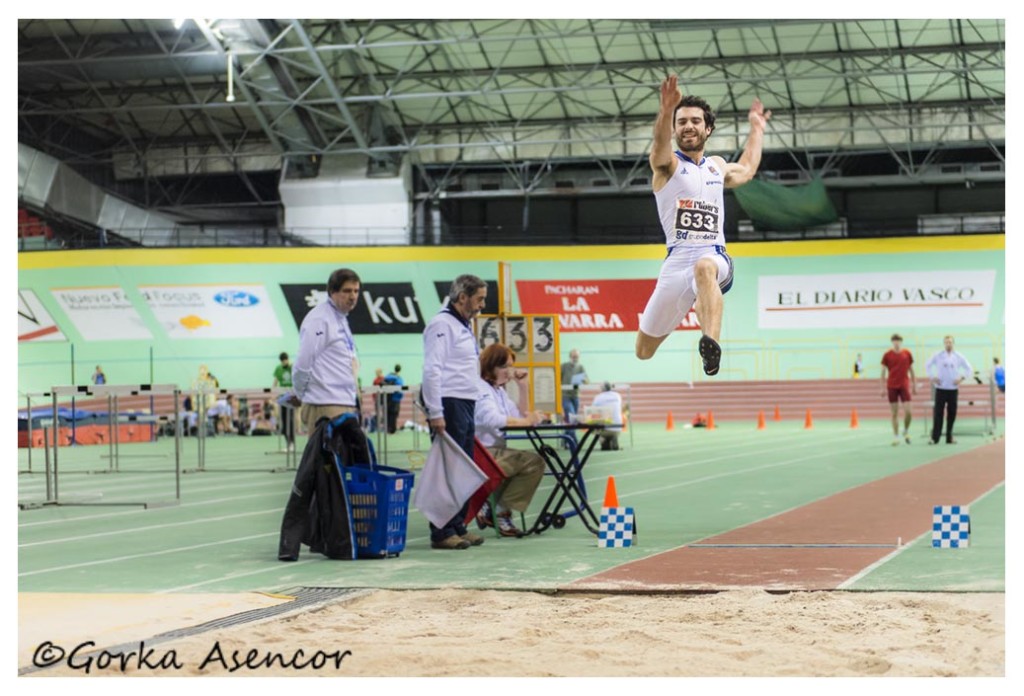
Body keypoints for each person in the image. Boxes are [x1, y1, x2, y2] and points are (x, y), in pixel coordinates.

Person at [636, 75, 770, 377]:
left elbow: (747, 168)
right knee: (643, 351)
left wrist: (757, 128)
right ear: (674, 128)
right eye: (681, 121)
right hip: (675, 264)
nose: (688, 126)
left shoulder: (717, 166)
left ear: (707, 129)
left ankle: (710, 345)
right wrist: (665, 109)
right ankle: (696, 306)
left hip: (713, 256)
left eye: (695, 121)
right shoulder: (667, 166)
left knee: (704, 268)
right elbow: (659, 145)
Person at [421, 274, 489, 550]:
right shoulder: (442, 325)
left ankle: (458, 525)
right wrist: (435, 411)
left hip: (464, 402)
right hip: (448, 403)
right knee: (447, 470)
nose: (482, 305)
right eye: (479, 299)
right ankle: (441, 532)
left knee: (461, 469)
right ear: (463, 297)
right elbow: (432, 370)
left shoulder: (462, 325)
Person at [474, 343, 546, 537]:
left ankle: (491, 506)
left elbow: (520, 415)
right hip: (482, 454)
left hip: (495, 452)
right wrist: (526, 420)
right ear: (490, 367)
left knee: (528, 462)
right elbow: (493, 420)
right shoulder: (480, 389)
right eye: (504, 366)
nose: (510, 371)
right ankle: (499, 511)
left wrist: (523, 388)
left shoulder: (498, 391)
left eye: (511, 366)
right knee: (534, 463)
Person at [292, 268, 362, 433]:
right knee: (326, 459)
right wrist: (301, 394)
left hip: (344, 402)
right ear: (332, 292)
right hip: (325, 405)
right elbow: (303, 362)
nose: (353, 296)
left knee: (345, 459)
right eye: (347, 291)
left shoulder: (341, 318)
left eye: (356, 291)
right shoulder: (320, 320)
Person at [925, 335, 974, 445]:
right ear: (944, 343)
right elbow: (927, 365)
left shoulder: (958, 356)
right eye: (946, 342)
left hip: (953, 389)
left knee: (952, 414)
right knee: (938, 414)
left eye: (950, 342)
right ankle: (935, 438)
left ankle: (949, 437)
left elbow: (969, 369)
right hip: (940, 388)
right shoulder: (938, 355)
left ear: (953, 343)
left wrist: (961, 378)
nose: (948, 344)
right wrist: (932, 377)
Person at [880, 333, 916, 446]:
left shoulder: (907, 354)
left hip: (904, 385)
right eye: (894, 340)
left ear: (901, 341)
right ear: (892, 342)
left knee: (909, 412)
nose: (896, 342)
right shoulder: (887, 355)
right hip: (891, 386)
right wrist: (882, 388)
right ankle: (896, 437)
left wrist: (914, 385)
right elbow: (882, 372)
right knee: (894, 413)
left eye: (898, 340)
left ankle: (905, 430)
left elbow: (911, 370)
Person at [590, 382, 624, 451]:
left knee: (592, 424)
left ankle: (603, 441)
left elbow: (592, 412)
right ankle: (613, 437)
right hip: (618, 428)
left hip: (605, 429)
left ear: (602, 389)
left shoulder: (598, 397)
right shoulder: (617, 395)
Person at [273, 351, 296, 451]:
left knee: (290, 420)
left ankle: (292, 443)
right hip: (283, 397)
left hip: (291, 396)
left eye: (285, 361)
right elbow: (275, 382)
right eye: (283, 361)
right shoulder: (278, 368)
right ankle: (288, 443)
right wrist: (273, 393)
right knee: (283, 420)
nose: (284, 363)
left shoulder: (293, 367)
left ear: (288, 359)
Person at [560, 349, 588, 421]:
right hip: (565, 395)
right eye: (574, 357)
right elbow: (558, 378)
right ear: (570, 357)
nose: (575, 359)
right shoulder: (564, 366)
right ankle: (571, 432)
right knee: (570, 413)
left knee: (574, 416)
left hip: (576, 395)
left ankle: (568, 431)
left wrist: (584, 380)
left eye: (577, 357)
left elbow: (587, 381)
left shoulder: (581, 367)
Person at [384, 364, 405, 434]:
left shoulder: (388, 376)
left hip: (388, 399)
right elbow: (401, 389)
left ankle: (388, 428)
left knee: (389, 414)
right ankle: (392, 429)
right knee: (394, 415)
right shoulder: (398, 378)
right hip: (395, 399)